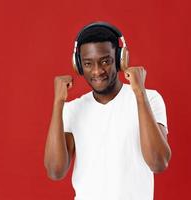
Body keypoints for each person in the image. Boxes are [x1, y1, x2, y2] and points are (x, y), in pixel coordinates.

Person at [44, 22, 172, 200]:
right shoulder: (72, 109)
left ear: (121, 60)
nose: (97, 71)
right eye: (88, 63)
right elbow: (55, 171)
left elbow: (159, 163)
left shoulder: (149, 98)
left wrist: (140, 94)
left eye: (105, 61)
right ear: (79, 65)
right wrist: (58, 104)